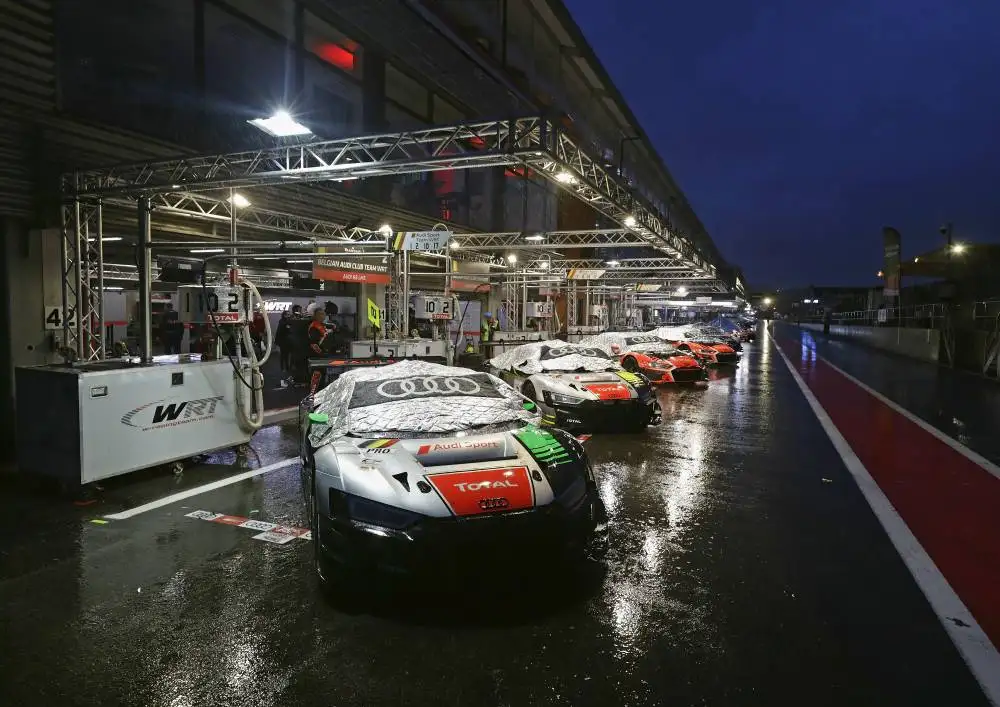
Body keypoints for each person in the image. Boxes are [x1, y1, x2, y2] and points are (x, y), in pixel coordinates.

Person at [274, 310, 293, 375]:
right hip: (283, 341)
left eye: (289, 314)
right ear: (284, 315)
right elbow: (284, 330)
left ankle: (286, 368)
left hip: (286, 341)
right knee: (283, 355)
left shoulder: (284, 321)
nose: (288, 315)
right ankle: (283, 368)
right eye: (287, 314)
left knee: (286, 355)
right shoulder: (283, 322)